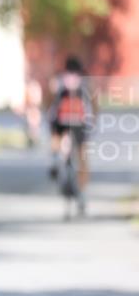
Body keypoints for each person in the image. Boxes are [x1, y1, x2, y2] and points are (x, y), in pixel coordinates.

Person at [47, 55, 92, 197]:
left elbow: (51, 103)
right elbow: (92, 106)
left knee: (55, 134)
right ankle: (83, 193)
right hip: (79, 122)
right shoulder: (86, 83)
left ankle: (54, 161)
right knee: (83, 158)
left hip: (61, 121)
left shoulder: (59, 81)